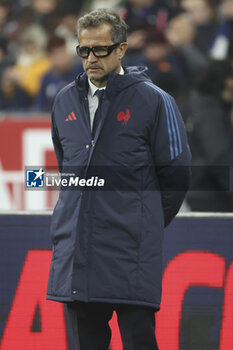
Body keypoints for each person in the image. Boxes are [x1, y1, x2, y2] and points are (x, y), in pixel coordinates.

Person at [46, 8, 191, 350]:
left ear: (122, 49)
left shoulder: (155, 100)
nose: (91, 58)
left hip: (130, 253)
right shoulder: (64, 100)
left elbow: (177, 175)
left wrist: (144, 220)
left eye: (101, 49)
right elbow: (68, 171)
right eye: (83, 50)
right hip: (78, 253)